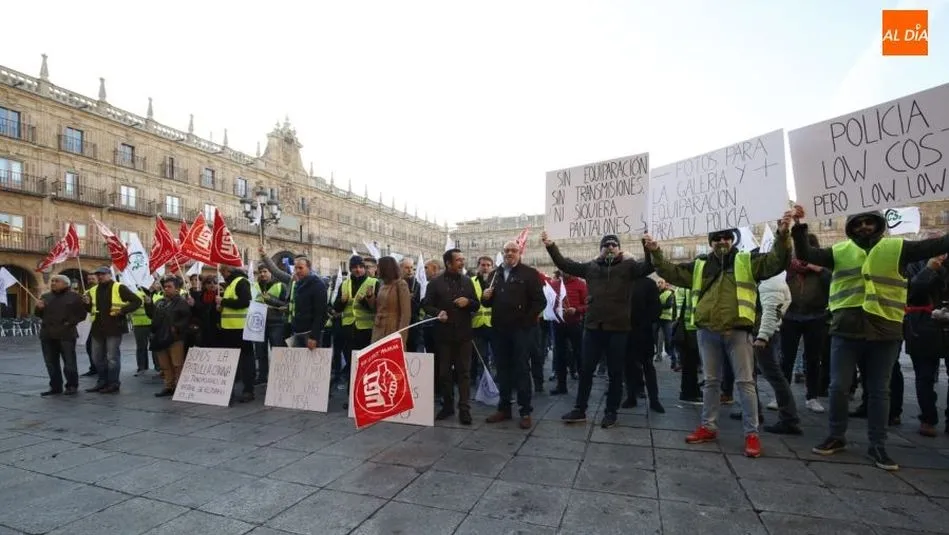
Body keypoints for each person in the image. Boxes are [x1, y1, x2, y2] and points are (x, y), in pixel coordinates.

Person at [792, 206, 949, 470]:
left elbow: (938, 244)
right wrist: (798, 227)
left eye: (869, 221)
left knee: (878, 390)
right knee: (838, 386)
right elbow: (807, 254)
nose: (864, 226)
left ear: (879, 224)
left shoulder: (898, 248)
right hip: (846, 328)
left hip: (884, 328)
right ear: (851, 227)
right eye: (858, 223)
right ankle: (836, 436)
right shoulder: (840, 251)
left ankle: (878, 444)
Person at [644, 211, 793, 458]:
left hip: (738, 331)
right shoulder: (700, 265)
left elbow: (777, 261)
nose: (722, 241)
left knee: (745, 383)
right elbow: (671, 272)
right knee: (711, 382)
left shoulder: (746, 261)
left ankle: (751, 434)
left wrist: (783, 234)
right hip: (708, 331)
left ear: (732, 240)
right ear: (711, 241)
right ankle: (708, 426)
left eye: (726, 237)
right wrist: (656, 251)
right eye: (717, 238)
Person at [543, 232, 654, 429]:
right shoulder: (591, 267)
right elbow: (565, 264)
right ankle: (580, 409)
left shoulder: (629, 267)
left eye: (613, 244)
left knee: (615, 372)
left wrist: (647, 246)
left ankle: (611, 412)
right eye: (606, 245)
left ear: (619, 248)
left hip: (618, 329)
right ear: (600, 249)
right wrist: (551, 246)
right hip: (593, 328)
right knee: (586, 370)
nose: (610, 247)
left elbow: (649, 266)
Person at [482, 241, 545, 430]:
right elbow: (487, 304)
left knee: (521, 370)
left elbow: (539, 302)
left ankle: (525, 411)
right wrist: (485, 298)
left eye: (513, 250)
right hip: (499, 330)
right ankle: (504, 408)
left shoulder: (530, 274)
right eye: (507, 250)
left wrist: (525, 321)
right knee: (502, 370)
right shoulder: (495, 275)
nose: (509, 253)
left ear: (520, 253)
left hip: (521, 331)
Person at [423, 248, 480, 425]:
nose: (462, 263)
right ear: (448, 263)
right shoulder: (435, 283)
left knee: (464, 372)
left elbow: (476, 305)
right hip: (443, 336)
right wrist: (438, 312)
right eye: (458, 260)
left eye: (463, 260)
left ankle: (464, 409)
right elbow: (426, 305)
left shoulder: (467, 281)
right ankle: (448, 406)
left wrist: (468, 302)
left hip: (464, 335)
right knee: (444, 372)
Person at [781, 233, 831, 413]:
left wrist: (814, 267)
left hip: (816, 317)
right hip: (790, 316)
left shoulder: (822, 269)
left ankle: (812, 397)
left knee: (813, 359)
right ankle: (782, 395)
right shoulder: (789, 268)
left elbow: (832, 281)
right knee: (786, 358)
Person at [904, 252, 949, 437]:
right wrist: (929, 270)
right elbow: (914, 292)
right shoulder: (917, 263)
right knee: (924, 376)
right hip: (923, 326)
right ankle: (928, 418)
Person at [83, 266, 142, 394]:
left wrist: (122, 311)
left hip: (114, 327)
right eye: (98, 274)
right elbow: (90, 309)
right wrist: (86, 303)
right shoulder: (92, 290)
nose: (100, 276)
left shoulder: (119, 287)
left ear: (109, 275)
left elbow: (136, 301)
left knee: (112, 357)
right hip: (97, 328)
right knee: (97, 357)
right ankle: (102, 381)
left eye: (103, 274)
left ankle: (113, 383)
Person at [35, 274, 87, 396]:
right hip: (47, 334)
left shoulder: (75, 297)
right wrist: (39, 308)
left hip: (66, 334)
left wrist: (69, 323)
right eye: (52, 281)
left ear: (66, 284)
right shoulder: (45, 296)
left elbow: (81, 315)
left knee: (69, 362)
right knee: (51, 363)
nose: (53, 283)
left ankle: (72, 385)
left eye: (56, 281)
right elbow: (38, 314)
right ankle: (55, 386)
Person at [145, 276, 191, 397]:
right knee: (165, 365)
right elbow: (152, 316)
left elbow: (186, 318)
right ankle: (168, 386)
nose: (166, 289)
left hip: (175, 338)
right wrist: (148, 304)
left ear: (177, 289)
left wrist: (176, 328)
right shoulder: (160, 302)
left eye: (169, 287)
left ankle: (178, 386)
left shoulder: (181, 302)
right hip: (160, 337)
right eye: (165, 287)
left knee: (177, 364)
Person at [624, 276, 664, 413]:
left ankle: (652, 399)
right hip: (630, 331)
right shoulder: (624, 281)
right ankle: (632, 397)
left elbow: (656, 309)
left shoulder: (647, 283)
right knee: (630, 366)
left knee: (646, 365)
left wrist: (644, 322)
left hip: (641, 331)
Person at [217, 264, 254, 403]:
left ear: (228, 271)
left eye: (222, 271)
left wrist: (224, 301)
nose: (221, 274)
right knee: (234, 360)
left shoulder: (241, 282)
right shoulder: (230, 283)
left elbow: (245, 302)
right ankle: (230, 389)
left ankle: (248, 390)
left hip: (241, 329)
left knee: (246, 360)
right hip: (229, 328)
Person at [550, 270, 587, 395]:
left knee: (579, 354)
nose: (564, 273)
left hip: (575, 324)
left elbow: (587, 304)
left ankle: (584, 385)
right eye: (562, 270)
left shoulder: (580, 284)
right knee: (560, 355)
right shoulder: (554, 284)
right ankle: (561, 385)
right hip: (558, 324)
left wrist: (576, 310)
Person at [253, 265, 288, 384]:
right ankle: (262, 376)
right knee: (260, 351)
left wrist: (270, 299)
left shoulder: (281, 285)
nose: (262, 274)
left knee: (278, 350)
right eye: (260, 272)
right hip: (259, 323)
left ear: (271, 272)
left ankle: (280, 375)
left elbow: (286, 305)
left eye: (265, 271)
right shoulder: (255, 286)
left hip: (276, 323)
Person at [285, 256, 328, 349]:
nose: (297, 271)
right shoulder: (298, 284)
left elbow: (320, 313)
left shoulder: (318, 285)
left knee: (313, 363)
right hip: (297, 332)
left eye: (301, 268)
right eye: (296, 268)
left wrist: (314, 337)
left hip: (310, 334)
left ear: (309, 268)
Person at [370, 256, 411, 344]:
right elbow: (378, 307)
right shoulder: (382, 285)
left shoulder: (401, 285)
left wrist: (401, 338)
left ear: (386, 268)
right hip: (378, 329)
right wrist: (370, 297)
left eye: (379, 267)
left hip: (392, 329)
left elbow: (406, 314)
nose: (377, 270)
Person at [470, 256, 495, 386]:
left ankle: (498, 383)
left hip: (494, 324)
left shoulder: (497, 282)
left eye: (488, 265)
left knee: (498, 356)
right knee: (482, 357)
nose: (485, 268)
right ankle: (485, 384)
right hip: (477, 324)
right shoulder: (470, 281)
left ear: (492, 267)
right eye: (483, 265)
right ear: (478, 266)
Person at [80, 271, 99, 377]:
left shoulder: (100, 291)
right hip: (88, 324)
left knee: (100, 348)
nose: (90, 281)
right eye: (89, 279)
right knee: (89, 347)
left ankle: (101, 368)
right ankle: (93, 367)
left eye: (93, 279)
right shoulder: (86, 292)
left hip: (100, 323)